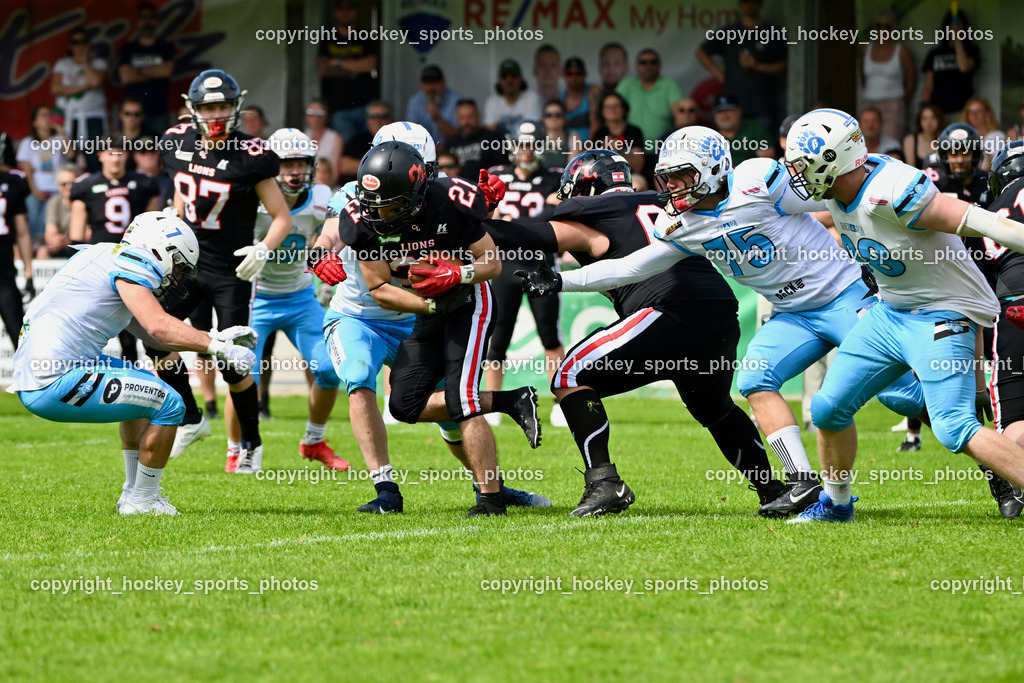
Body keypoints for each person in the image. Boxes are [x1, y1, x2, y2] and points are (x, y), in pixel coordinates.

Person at [519, 128, 928, 517]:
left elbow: (835, 197)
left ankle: (960, 423)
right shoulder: (682, 223)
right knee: (755, 379)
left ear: (712, 168)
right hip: (792, 313)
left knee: (901, 397)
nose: (672, 186)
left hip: (842, 296)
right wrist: (561, 281)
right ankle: (801, 483)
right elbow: (629, 267)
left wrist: (878, 230)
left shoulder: (757, 180)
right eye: (668, 177)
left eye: (681, 175)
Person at [507, 149, 786, 516]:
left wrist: (474, 224)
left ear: (586, 187)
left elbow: (531, 233)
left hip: (668, 311)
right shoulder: (668, 202)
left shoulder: (594, 212)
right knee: (715, 408)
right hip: (719, 313)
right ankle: (773, 491)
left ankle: (604, 482)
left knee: (568, 375)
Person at [783, 107, 1024, 523]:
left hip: (943, 311)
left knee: (953, 426)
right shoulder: (837, 187)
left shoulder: (894, 191)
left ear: (833, 161)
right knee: (827, 409)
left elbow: (981, 222)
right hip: (890, 311)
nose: (798, 174)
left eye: (804, 164)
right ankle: (837, 505)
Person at [322, 140, 541, 517]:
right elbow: (379, 288)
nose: (379, 213)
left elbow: (491, 262)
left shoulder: (450, 199)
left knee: (461, 400)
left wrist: (459, 273)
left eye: (390, 204)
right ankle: (509, 401)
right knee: (403, 405)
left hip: (467, 301)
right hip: (418, 309)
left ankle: (491, 497)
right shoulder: (360, 217)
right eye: (374, 203)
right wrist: (432, 305)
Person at [9, 213, 256, 515]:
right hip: (56, 377)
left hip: (42, 370)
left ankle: (132, 493)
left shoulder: (106, 254)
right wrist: (220, 348)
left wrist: (215, 338)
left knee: (143, 387)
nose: (176, 276)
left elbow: (155, 338)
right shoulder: (132, 262)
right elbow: (158, 327)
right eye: (178, 265)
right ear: (160, 249)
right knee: (171, 404)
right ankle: (144, 499)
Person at [157, 69, 292, 472]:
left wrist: (264, 247)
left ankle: (250, 442)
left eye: (223, 106)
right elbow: (183, 188)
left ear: (236, 107)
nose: (216, 114)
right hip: (186, 265)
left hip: (231, 272)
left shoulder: (251, 154)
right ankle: (190, 417)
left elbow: (281, 216)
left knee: (233, 364)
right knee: (153, 335)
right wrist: (175, 217)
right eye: (209, 107)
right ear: (193, 109)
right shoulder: (176, 142)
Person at [220, 128, 348, 471]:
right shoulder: (252, 199)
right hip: (255, 298)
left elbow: (334, 233)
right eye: (286, 164)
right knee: (242, 376)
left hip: (299, 296)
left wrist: (326, 261)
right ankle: (236, 449)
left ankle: (313, 441)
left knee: (328, 370)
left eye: (301, 163)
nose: (294, 171)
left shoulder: (321, 197)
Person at [487, 121, 567, 427]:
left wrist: (512, 222)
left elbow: (551, 216)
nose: (527, 150)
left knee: (550, 334)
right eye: (522, 144)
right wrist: (520, 222)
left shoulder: (555, 177)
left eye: (532, 144)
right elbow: (488, 217)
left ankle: (561, 402)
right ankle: (493, 403)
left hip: (540, 263)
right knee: (497, 338)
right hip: (504, 264)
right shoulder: (498, 175)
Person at [964, 141, 1024, 518]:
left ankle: (1013, 485)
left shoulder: (982, 216)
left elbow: (976, 303)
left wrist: (976, 382)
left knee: (1015, 420)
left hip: (1013, 309)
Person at [696, 0, 787, 134]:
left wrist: (757, 66)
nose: (749, 4)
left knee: (762, 142)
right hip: (733, 102)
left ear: (760, 3)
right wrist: (720, 75)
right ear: (740, 4)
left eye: (753, 1)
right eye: (745, 1)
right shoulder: (729, 32)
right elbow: (701, 51)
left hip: (763, 104)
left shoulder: (773, 32)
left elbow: (784, 65)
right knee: (733, 143)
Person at [69, 140, 159, 244]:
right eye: (111, 154)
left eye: (119, 154)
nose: (115, 159)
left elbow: (152, 224)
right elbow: (77, 233)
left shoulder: (144, 182)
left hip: (133, 248)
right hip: (100, 248)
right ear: (100, 156)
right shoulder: (86, 185)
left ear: (126, 155)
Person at [317, 0, 379, 141]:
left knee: (370, 145)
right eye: (341, 8)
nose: (345, 12)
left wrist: (337, 62)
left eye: (349, 8)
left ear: (356, 11)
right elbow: (322, 69)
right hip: (338, 107)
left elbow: (370, 65)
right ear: (335, 12)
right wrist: (354, 68)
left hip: (365, 104)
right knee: (346, 147)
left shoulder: (365, 36)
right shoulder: (328, 37)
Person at [50, 27, 107, 172]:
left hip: (92, 115)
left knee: (95, 156)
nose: (79, 45)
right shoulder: (63, 64)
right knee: (69, 156)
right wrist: (83, 87)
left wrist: (85, 62)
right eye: (75, 42)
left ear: (89, 43)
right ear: (70, 45)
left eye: (83, 41)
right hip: (69, 116)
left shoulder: (98, 62)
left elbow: (95, 82)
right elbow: (55, 88)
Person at [117, 2, 176, 135]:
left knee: (160, 146)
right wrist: (154, 71)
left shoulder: (165, 47)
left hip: (157, 110)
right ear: (137, 22)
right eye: (144, 18)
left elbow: (166, 71)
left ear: (157, 21)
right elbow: (125, 77)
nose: (147, 21)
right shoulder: (129, 48)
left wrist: (137, 71)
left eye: (151, 17)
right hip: (132, 113)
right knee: (128, 146)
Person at [860, 9, 915, 142]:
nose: (883, 30)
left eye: (887, 26)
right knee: (865, 144)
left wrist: (900, 102)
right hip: (869, 104)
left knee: (890, 143)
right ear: (874, 28)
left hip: (893, 106)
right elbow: (862, 77)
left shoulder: (901, 51)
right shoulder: (865, 49)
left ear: (894, 28)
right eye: (879, 26)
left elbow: (911, 81)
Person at [17, 106, 68, 247]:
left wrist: (60, 130)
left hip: (57, 189)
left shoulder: (59, 138)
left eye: (49, 114)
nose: (48, 118)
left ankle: (40, 245)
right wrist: (34, 190)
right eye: (43, 115)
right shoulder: (27, 142)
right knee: (32, 213)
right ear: (34, 122)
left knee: (47, 215)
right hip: (35, 188)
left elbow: (71, 154)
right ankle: (32, 245)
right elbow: (26, 170)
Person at [615, 49, 682, 150]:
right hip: (630, 148)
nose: (648, 66)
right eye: (643, 62)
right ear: (636, 65)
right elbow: (612, 110)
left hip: (664, 148)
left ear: (659, 65)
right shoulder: (626, 84)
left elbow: (681, 114)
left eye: (653, 62)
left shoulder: (670, 84)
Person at [921, 10, 980, 121]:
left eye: (958, 25)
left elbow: (963, 67)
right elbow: (928, 85)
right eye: (952, 25)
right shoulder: (935, 53)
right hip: (937, 111)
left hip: (961, 110)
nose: (954, 28)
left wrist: (957, 38)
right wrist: (924, 107)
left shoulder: (972, 50)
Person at [0, 165, 33, 347]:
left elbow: (22, 232)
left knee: (22, 340)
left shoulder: (12, 182)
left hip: (4, 273)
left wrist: (29, 273)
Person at [444, 99, 506, 180]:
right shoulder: (451, 143)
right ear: (457, 119)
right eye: (462, 118)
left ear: (478, 116)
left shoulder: (493, 139)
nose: (466, 122)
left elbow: (503, 167)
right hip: (459, 185)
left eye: (470, 117)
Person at [484, 59, 543, 136]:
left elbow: (532, 129)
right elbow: (490, 130)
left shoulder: (532, 98)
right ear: (499, 80)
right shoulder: (492, 101)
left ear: (520, 79)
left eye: (514, 76)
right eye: (504, 76)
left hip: (525, 141)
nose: (509, 80)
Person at [338, 100, 394, 182]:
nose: (377, 120)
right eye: (373, 116)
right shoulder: (358, 139)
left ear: (391, 118)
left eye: (383, 116)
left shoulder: (397, 138)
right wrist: (378, 165)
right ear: (367, 119)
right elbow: (344, 166)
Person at [405, 65, 461, 146]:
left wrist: (437, 118)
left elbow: (460, 137)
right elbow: (410, 134)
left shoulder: (456, 100)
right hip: (423, 149)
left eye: (435, 82)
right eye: (427, 83)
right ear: (422, 84)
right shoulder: (415, 101)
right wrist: (431, 147)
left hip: (451, 149)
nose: (431, 87)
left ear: (443, 82)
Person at [712, 93, 774, 164]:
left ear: (739, 111)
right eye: (720, 111)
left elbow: (767, 160)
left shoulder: (755, 129)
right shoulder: (710, 134)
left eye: (729, 110)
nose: (725, 115)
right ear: (714, 114)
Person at [592, 92, 644, 175]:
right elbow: (594, 166)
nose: (612, 110)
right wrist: (603, 150)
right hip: (605, 176)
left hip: (630, 176)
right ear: (602, 111)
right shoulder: (599, 134)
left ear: (624, 109)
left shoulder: (634, 132)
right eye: (608, 107)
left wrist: (618, 151)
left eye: (616, 106)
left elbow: (638, 166)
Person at [41, 165, 79, 258]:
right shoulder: (54, 201)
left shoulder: (86, 201)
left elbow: (88, 235)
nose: (69, 187)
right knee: (43, 251)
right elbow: (50, 235)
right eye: (64, 184)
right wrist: (58, 241)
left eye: (72, 183)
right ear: (58, 186)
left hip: (82, 247)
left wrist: (66, 242)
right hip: (60, 246)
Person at [560, 57, 600, 142]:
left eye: (578, 73)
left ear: (585, 74)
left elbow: (595, 123)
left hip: (589, 144)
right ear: (564, 75)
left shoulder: (592, 92)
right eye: (569, 74)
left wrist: (589, 146)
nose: (574, 77)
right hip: (567, 145)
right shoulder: (560, 97)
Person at [304, 99, 342, 187]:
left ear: (327, 117)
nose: (315, 117)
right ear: (306, 116)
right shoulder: (300, 138)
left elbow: (335, 172)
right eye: (311, 113)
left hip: (328, 186)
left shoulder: (336, 138)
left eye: (320, 113)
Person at [961, 97, 1005, 172]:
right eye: (970, 112)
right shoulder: (962, 137)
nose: (974, 115)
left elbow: (998, 162)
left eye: (979, 111)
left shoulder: (997, 136)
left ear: (988, 113)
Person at [133, 135, 174, 208]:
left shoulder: (170, 180)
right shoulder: (128, 180)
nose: (148, 155)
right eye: (143, 151)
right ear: (135, 155)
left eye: (152, 150)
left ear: (158, 153)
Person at [538, 100, 581, 170]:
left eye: (558, 115)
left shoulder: (573, 138)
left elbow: (572, 170)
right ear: (543, 119)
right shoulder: (537, 138)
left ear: (564, 118)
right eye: (549, 115)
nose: (553, 118)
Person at [903, 104, 945, 170]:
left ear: (939, 120)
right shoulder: (910, 140)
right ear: (919, 121)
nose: (929, 122)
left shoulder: (945, 139)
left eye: (933, 118)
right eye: (924, 118)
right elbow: (911, 169)